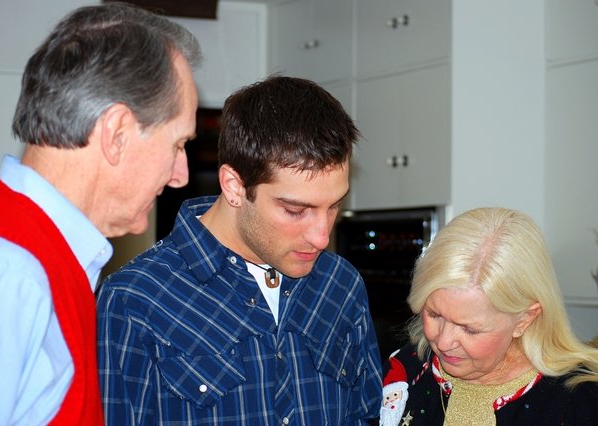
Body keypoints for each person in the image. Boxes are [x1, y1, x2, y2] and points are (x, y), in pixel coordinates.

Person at [96, 75, 383, 425]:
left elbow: (368, 416)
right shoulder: (134, 300)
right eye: (295, 210)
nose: (322, 237)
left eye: (334, 205)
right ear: (234, 186)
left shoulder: (341, 284)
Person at [0, 3, 202, 425]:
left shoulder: (44, 256)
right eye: (177, 144)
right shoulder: (9, 273)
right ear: (116, 134)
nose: (181, 176)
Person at [379, 207, 598, 426]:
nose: (443, 342)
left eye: (469, 329)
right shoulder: (405, 370)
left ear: (525, 319)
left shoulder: (578, 400)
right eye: (434, 315)